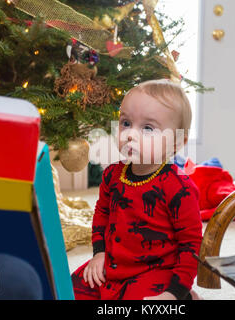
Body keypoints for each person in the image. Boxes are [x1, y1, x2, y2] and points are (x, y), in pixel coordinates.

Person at [71, 79, 203, 300]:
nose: (130, 135)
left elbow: (190, 245)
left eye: (148, 128)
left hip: (154, 271)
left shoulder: (179, 187)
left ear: (176, 143)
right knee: (67, 291)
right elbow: (102, 215)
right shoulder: (113, 174)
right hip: (113, 263)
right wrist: (99, 253)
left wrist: (174, 292)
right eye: (125, 123)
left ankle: (184, 296)